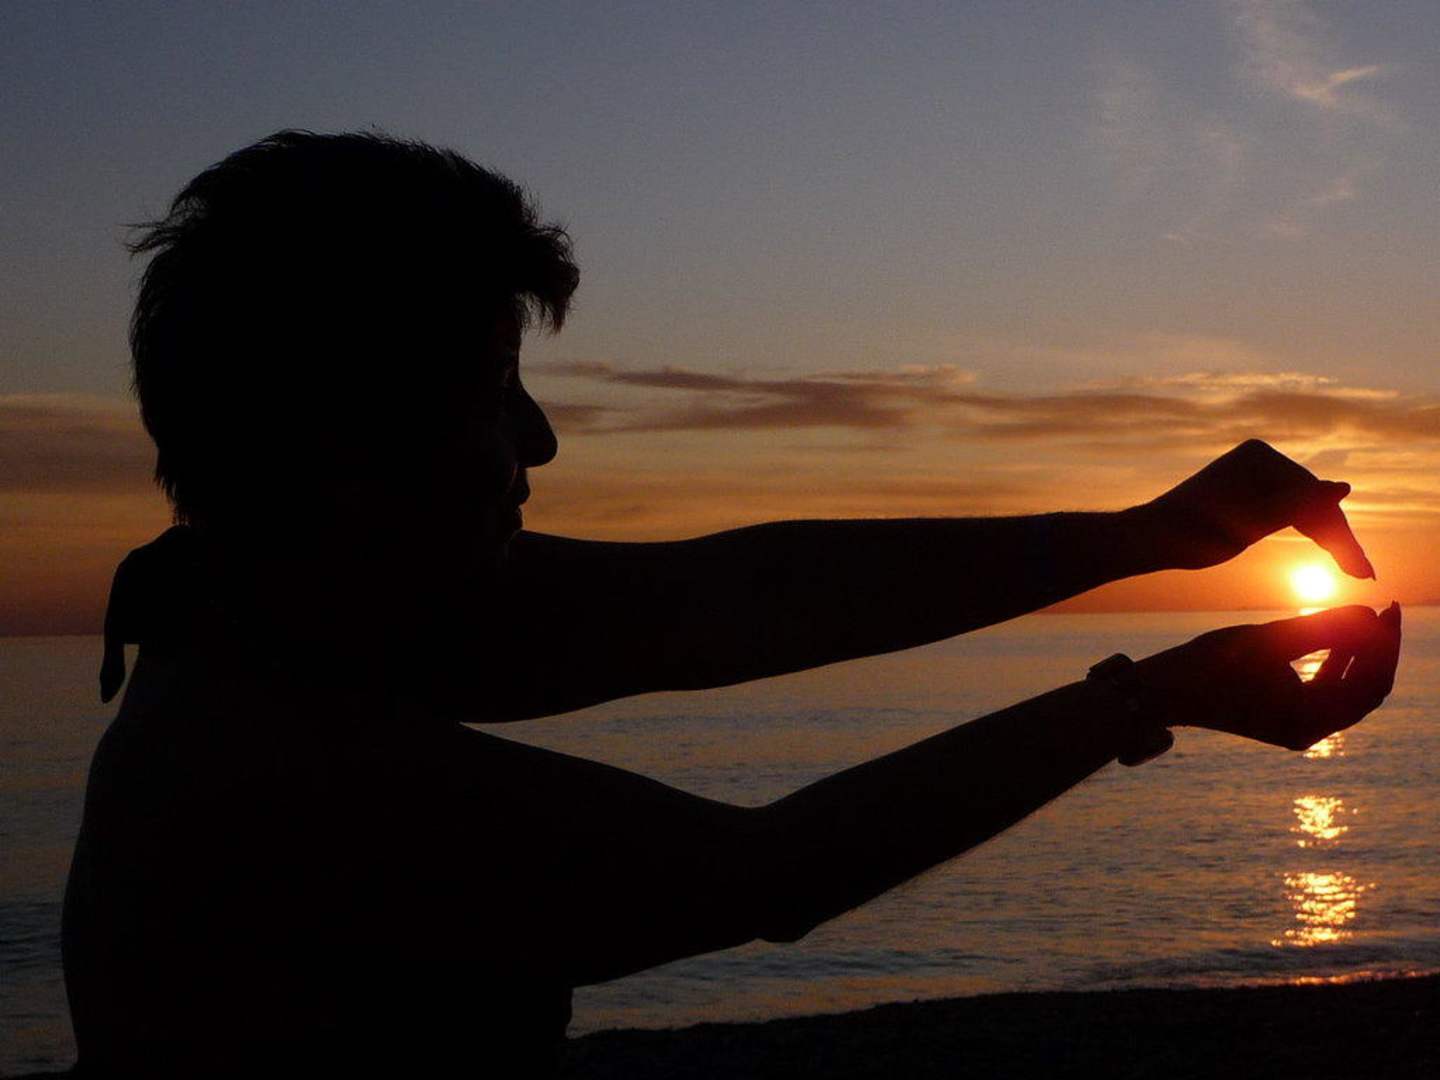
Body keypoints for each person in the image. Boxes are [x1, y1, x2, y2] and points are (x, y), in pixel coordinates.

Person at [63, 130, 1402, 1078]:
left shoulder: (300, 617)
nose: (537, 442)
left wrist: (1159, 535)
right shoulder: (258, 764)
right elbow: (768, 874)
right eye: (490, 389)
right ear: (345, 444)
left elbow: (736, 597)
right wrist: (1146, 698)